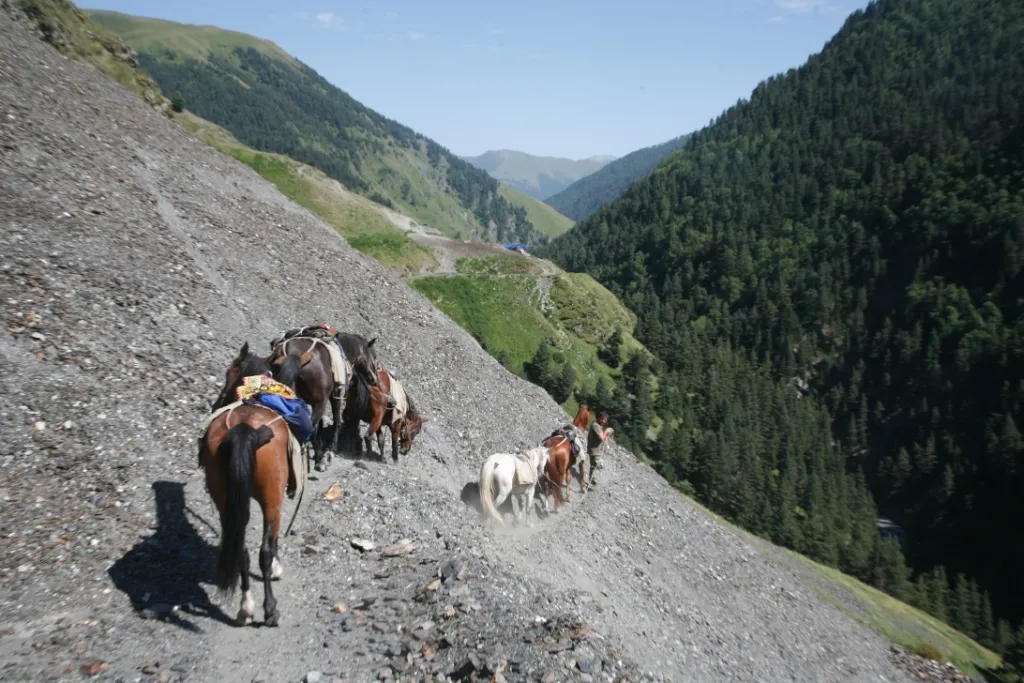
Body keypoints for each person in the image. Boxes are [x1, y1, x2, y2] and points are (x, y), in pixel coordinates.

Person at [586, 411, 613, 489]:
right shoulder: (596, 425)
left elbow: (602, 438)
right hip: (594, 450)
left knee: (593, 466)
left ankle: (591, 481)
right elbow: (601, 437)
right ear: (598, 418)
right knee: (600, 465)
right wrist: (607, 431)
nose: (604, 421)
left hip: (596, 450)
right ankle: (592, 481)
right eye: (602, 419)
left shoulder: (599, 426)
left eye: (605, 420)